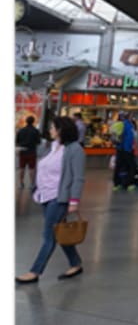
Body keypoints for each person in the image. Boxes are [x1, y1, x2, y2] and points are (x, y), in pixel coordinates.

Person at [17, 116, 85, 283]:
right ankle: (76, 263)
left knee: (48, 236)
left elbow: (78, 178)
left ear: (61, 129)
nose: (50, 130)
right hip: (45, 195)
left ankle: (35, 272)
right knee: (58, 232)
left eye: (53, 127)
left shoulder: (75, 150)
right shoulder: (52, 146)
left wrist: (74, 201)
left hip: (58, 198)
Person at [110, 113, 137, 191]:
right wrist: (132, 147)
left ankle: (117, 184)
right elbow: (130, 138)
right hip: (127, 149)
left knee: (118, 166)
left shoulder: (118, 124)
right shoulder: (129, 125)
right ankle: (129, 184)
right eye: (132, 116)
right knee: (131, 166)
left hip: (119, 149)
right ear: (129, 117)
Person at [16, 115, 42, 190]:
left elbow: (17, 141)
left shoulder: (21, 130)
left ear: (26, 121)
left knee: (21, 168)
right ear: (33, 122)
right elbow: (38, 142)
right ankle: (32, 184)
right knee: (32, 168)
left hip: (22, 151)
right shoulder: (36, 131)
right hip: (32, 151)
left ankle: (21, 183)